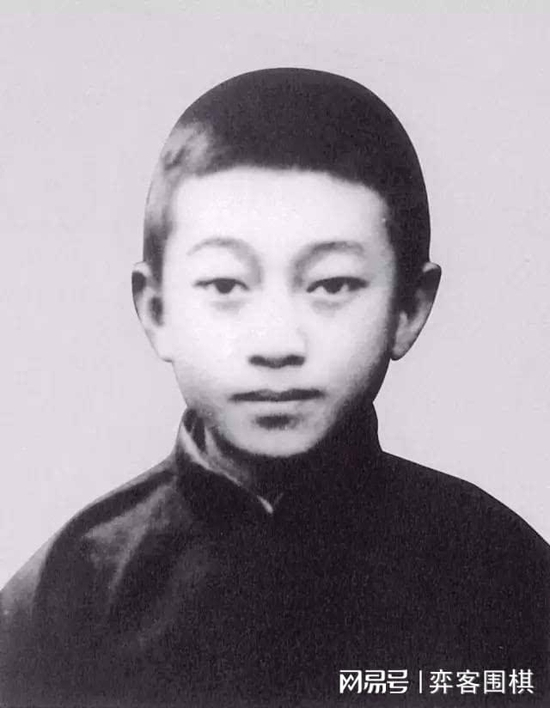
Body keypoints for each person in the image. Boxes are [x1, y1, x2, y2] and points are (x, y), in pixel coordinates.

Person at [1, 68, 548, 708]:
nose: (277, 342)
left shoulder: (501, 573)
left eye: (332, 285)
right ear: (157, 310)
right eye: (226, 285)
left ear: (408, 307)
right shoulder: (68, 595)